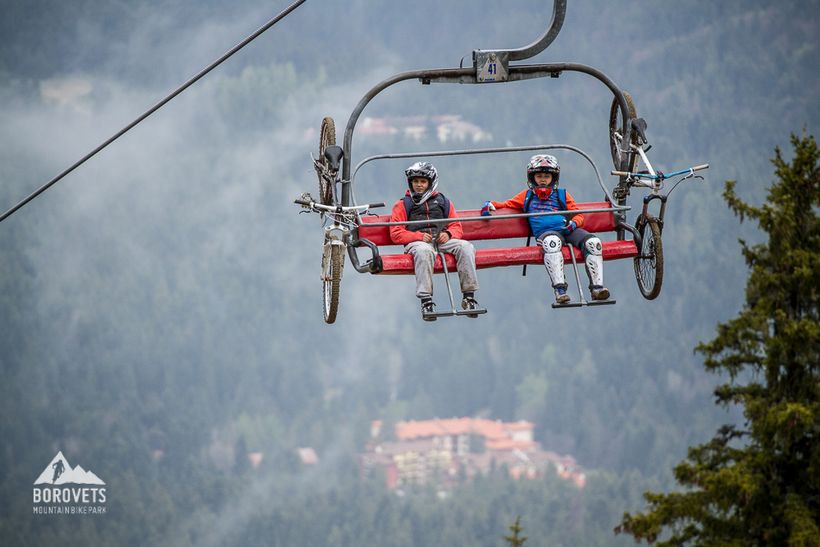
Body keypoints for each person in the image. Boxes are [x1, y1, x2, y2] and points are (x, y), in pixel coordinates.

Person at [481, 154, 610, 304]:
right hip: (546, 234)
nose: (543, 179)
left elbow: (578, 214)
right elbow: (506, 204)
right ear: (532, 177)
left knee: (594, 243)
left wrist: (574, 224)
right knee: (552, 243)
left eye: (547, 176)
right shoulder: (527, 196)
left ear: (553, 178)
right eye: (539, 176)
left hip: (567, 229)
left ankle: (597, 288)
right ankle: (560, 290)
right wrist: (489, 204)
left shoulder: (562, 194)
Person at [389, 161, 481, 321]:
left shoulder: (443, 202)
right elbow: (396, 233)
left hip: (441, 239)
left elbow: (456, 225)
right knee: (425, 252)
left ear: (430, 183)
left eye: (423, 182)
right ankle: (426, 301)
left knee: (466, 247)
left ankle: (469, 296)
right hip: (417, 243)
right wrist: (417, 236)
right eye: (415, 181)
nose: (418, 185)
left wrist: (449, 234)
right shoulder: (403, 204)